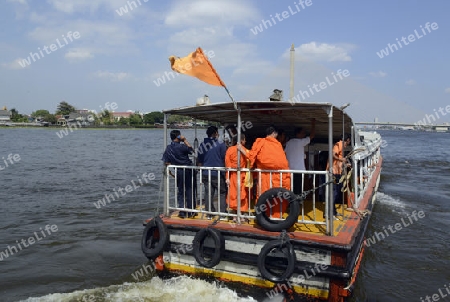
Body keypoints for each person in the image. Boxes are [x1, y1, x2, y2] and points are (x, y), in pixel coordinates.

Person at [248, 126, 291, 218]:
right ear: (274, 133)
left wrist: (252, 167)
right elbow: (282, 161)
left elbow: (252, 156)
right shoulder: (278, 144)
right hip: (278, 175)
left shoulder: (260, 142)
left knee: (264, 196)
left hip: (265, 175)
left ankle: (263, 216)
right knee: (277, 197)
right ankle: (275, 216)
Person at [162, 130, 195, 218]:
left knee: (180, 191)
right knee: (189, 190)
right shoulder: (182, 146)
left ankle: (182, 211)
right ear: (178, 137)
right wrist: (185, 140)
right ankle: (191, 211)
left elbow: (166, 162)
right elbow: (192, 150)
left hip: (178, 171)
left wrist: (172, 165)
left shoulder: (168, 148)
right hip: (187, 170)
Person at [197, 126, 227, 214]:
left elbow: (199, 159)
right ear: (215, 133)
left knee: (208, 193)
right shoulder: (220, 144)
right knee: (222, 192)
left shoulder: (202, 144)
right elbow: (224, 157)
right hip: (217, 172)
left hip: (206, 172)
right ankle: (222, 212)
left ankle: (209, 212)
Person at [285, 119, 316, 194]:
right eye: (303, 133)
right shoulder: (301, 142)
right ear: (298, 134)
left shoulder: (289, 143)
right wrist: (313, 124)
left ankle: (291, 204)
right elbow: (312, 136)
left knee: (291, 189)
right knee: (298, 190)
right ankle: (296, 204)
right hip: (298, 171)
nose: (304, 135)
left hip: (289, 170)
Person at [327, 133, 352, 217]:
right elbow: (333, 155)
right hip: (333, 173)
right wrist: (341, 159)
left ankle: (333, 212)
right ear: (348, 140)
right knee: (333, 193)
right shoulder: (339, 144)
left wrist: (345, 164)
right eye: (349, 141)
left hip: (337, 172)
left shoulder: (340, 146)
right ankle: (329, 213)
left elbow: (338, 161)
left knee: (336, 193)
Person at [225, 134, 250, 214]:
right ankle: (241, 214)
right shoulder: (244, 150)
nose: (245, 141)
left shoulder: (230, 149)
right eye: (244, 139)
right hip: (242, 175)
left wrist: (227, 177)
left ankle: (235, 214)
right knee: (242, 193)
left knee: (234, 194)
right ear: (241, 141)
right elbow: (251, 158)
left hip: (233, 175)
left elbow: (227, 165)